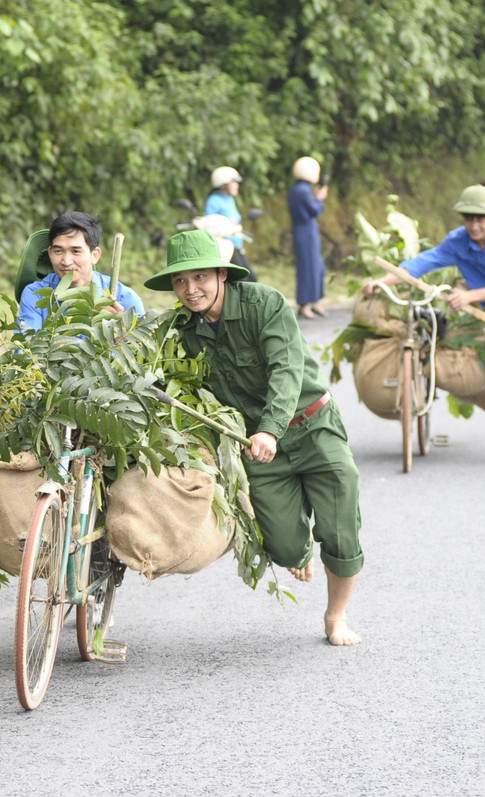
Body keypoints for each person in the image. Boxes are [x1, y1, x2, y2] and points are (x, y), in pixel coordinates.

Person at [145, 229, 363, 646]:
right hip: (257, 449)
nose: (190, 290)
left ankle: (336, 616)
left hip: (311, 426)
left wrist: (270, 428)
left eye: (200, 278)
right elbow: (157, 368)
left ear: (222, 275)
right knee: (281, 546)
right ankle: (299, 553)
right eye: (180, 281)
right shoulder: (180, 329)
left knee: (341, 529)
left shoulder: (265, 303)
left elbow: (286, 369)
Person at [362, 185, 485, 465]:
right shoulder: (458, 241)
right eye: (467, 218)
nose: (473, 225)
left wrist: (470, 296)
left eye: (479, 218)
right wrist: (379, 283)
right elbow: (420, 264)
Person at [17, 211, 144, 331]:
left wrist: (119, 334)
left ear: (95, 255)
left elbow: (142, 349)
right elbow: (26, 349)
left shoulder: (126, 300)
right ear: (50, 253)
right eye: (58, 251)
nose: (66, 261)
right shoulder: (35, 295)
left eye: (76, 251)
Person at [288, 156, 328, 319]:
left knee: (317, 266)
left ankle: (315, 300)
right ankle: (305, 304)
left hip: (307, 231)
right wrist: (319, 198)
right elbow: (315, 210)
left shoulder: (298, 189)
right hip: (305, 231)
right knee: (307, 267)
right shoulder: (302, 191)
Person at [203, 166, 256, 280]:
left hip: (236, 245)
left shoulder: (229, 199)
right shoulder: (214, 200)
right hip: (225, 247)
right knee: (243, 279)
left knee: (252, 278)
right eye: (234, 182)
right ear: (224, 183)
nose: (236, 185)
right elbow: (209, 224)